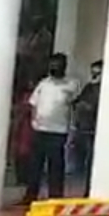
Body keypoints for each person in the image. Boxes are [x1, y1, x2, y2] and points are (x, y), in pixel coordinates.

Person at [24, 53, 80, 203]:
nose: (54, 67)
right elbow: (33, 104)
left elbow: (75, 105)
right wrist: (33, 122)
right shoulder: (44, 83)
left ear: (64, 66)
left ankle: (55, 197)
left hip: (58, 131)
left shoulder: (72, 84)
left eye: (58, 64)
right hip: (40, 130)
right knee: (35, 165)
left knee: (55, 166)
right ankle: (30, 196)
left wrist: (73, 128)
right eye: (52, 64)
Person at [72, 59, 102, 196]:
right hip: (83, 128)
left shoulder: (103, 89)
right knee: (81, 163)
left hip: (94, 130)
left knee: (92, 162)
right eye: (93, 71)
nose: (94, 74)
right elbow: (78, 101)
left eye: (97, 71)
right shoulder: (89, 87)